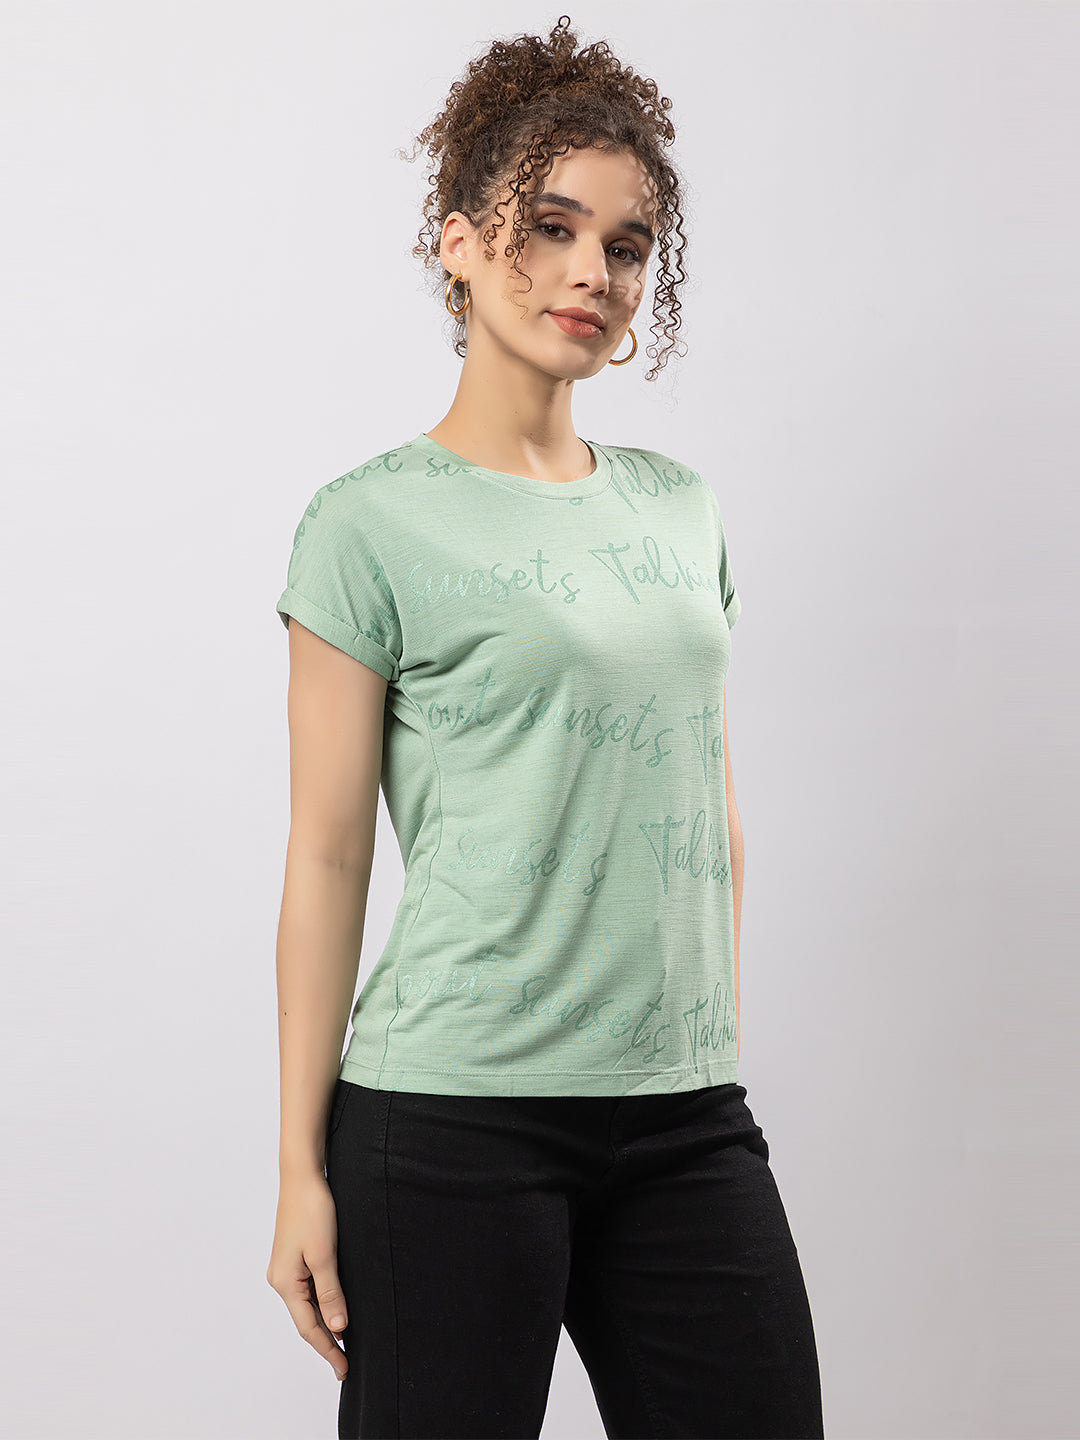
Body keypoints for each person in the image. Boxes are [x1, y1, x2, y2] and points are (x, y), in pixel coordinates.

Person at [266, 16, 825, 1439]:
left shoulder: (678, 509)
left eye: (627, 247)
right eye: (554, 227)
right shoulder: (368, 523)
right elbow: (327, 858)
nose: (592, 272)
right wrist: (299, 1171)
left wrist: (703, 1042)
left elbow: (712, 805)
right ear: (460, 244)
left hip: (683, 1114)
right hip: (450, 1118)